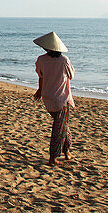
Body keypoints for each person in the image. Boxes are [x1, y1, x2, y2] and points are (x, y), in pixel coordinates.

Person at [32, 31, 75, 165]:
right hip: (61, 98)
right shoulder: (64, 61)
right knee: (59, 127)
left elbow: (41, 76)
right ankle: (53, 157)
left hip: (48, 96)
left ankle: (67, 151)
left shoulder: (41, 59)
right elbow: (71, 75)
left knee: (62, 125)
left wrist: (39, 90)